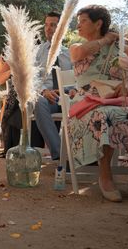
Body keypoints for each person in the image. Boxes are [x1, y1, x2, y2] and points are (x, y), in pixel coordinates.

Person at [68, 5, 128, 202]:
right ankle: (105, 176)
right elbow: (78, 55)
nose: (78, 25)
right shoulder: (76, 47)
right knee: (103, 115)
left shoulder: (120, 46)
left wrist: (126, 84)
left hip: (116, 98)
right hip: (86, 99)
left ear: (98, 23)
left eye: (83, 21)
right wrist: (106, 40)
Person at [33, 11, 73, 161]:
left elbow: (78, 78)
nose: (48, 28)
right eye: (46, 25)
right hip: (48, 98)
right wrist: (43, 91)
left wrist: (65, 90)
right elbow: (32, 78)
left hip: (69, 96)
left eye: (53, 25)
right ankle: (61, 155)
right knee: (38, 102)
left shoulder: (70, 53)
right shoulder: (38, 52)